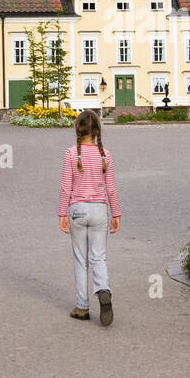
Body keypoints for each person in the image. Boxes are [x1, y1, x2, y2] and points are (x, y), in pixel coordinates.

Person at [58, 110, 120, 325]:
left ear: (78, 129)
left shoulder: (71, 154)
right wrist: (117, 213)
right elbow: (111, 187)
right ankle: (103, 289)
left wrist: (61, 213)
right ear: (97, 131)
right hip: (100, 210)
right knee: (98, 257)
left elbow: (66, 186)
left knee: (80, 260)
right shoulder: (105, 155)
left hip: (77, 209)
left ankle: (82, 307)